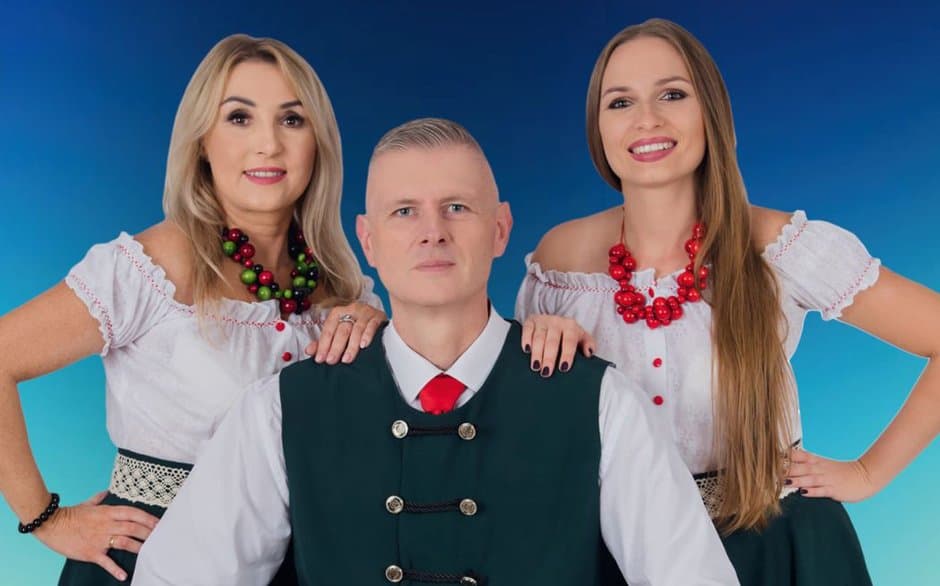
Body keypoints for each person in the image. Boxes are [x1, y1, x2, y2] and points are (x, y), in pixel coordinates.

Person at [133, 117, 739, 585]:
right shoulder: (279, 411)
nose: (433, 232)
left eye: (457, 207)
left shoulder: (601, 403)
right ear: (367, 240)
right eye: (404, 212)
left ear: (500, 229)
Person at [515, 18, 940, 585]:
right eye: (620, 102)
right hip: (615, 556)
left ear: (710, 111)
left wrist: (867, 473)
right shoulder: (561, 260)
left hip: (771, 547)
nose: (647, 119)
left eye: (672, 94)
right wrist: (538, 340)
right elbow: (526, 427)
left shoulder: (780, 247)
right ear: (598, 128)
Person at [0, 34, 386, 585]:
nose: (269, 144)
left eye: (292, 120)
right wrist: (47, 519)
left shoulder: (342, 286)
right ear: (202, 141)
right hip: (148, 560)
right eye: (239, 118)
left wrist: (377, 340)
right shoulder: (150, 268)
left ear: (318, 143)